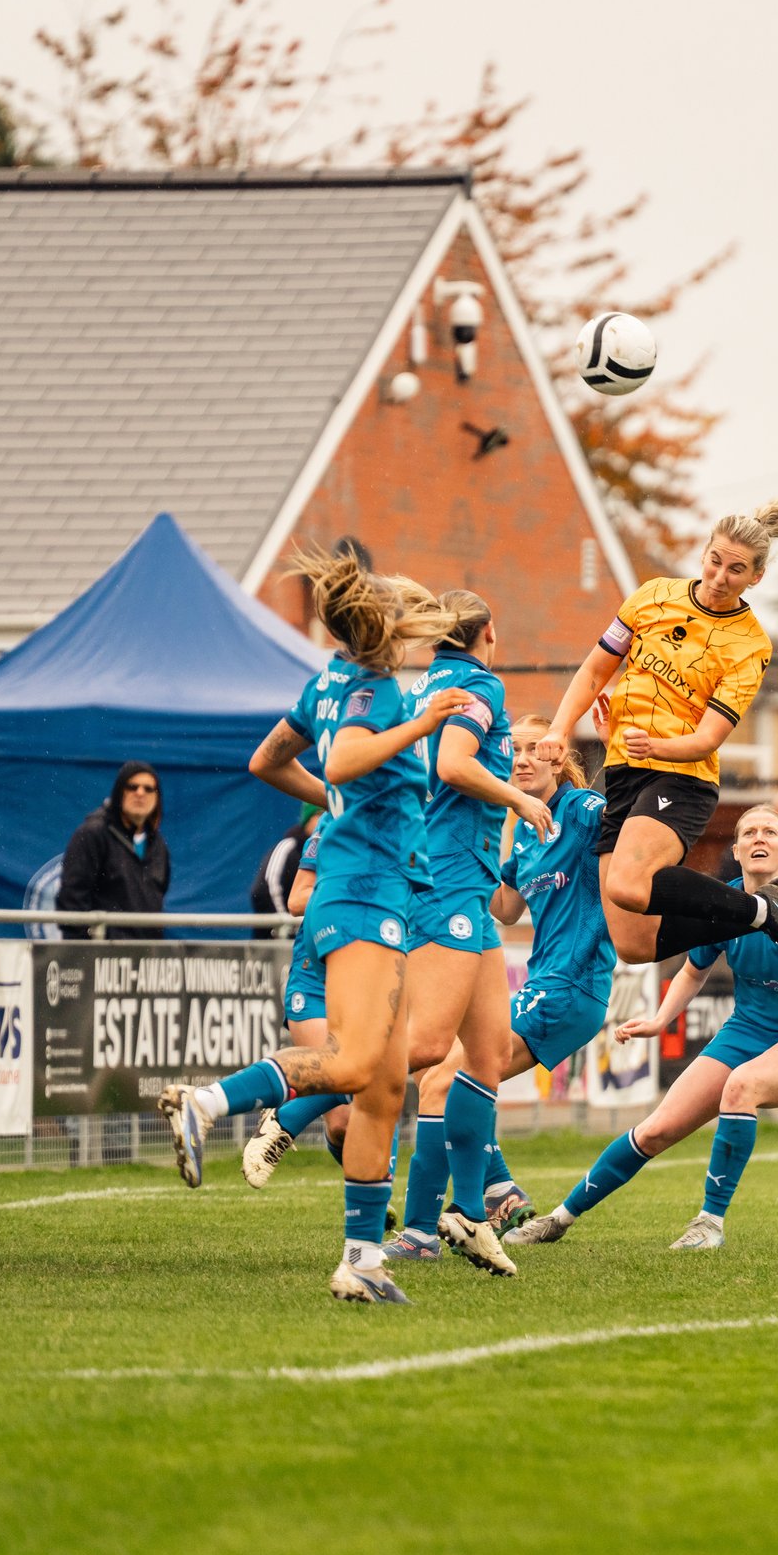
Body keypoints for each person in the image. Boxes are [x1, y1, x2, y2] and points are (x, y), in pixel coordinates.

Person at [158, 554, 467, 1305]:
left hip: (365, 892)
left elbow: (269, 759)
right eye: (420, 625)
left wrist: (331, 796)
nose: (432, 639)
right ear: (391, 630)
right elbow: (344, 754)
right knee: (357, 1065)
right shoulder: (377, 688)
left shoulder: (328, 678)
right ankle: (208, 1102)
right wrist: (422, 723)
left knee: (386, 1086)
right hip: (365, 895)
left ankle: (362, 1259)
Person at [505, 804, 778, 1251]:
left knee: (742, 1087)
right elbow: (694, 970)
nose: (759, 839)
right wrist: (661, 1019)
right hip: (748, 1030)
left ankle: (709, 1224)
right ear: (736, 851)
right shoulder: (728, 903)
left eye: (770, 833)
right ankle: (559, 1219)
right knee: (656, 1129)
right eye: (749, 833)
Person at [536, 484, 778, 972]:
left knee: (626, 885)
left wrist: (654, 743)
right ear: (704, 552)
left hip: (681, 778)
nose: (720, 577)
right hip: (624, 771)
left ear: (757, 577)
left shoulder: (750, 645)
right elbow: (595, 669)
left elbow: (707, 739)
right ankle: (766, 912)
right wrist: (560, 729)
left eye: (736, 569)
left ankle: (763, 909)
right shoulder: (652, 596)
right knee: (634, 946)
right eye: (715, 561)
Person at [383, 590, 553, 1275]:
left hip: (460, 886)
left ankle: (445, 1221)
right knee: (426, 1048)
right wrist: (518, 797)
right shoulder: (477, 682)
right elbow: (454, 763)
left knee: (484, 1059)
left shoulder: (419, 684)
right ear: (489, 631)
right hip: (449, 882)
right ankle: (300, 1090)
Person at [58, 763, 169, 938]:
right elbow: (71, 899)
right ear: (119, 792)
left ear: (157, 798)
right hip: (98, 955)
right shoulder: (92, 834)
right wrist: (89, 943)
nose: (140, 793)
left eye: (148, 789)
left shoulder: (158, 845)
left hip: (146, 956)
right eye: (132, 786)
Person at [249, 804, 317, 915]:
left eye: (327, 815)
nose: (323, 821)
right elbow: (265, 890)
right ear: (307, 819)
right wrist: (285, 925)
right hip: (279, 929)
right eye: (319, 815)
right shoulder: (288, 847)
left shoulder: (332, 851)